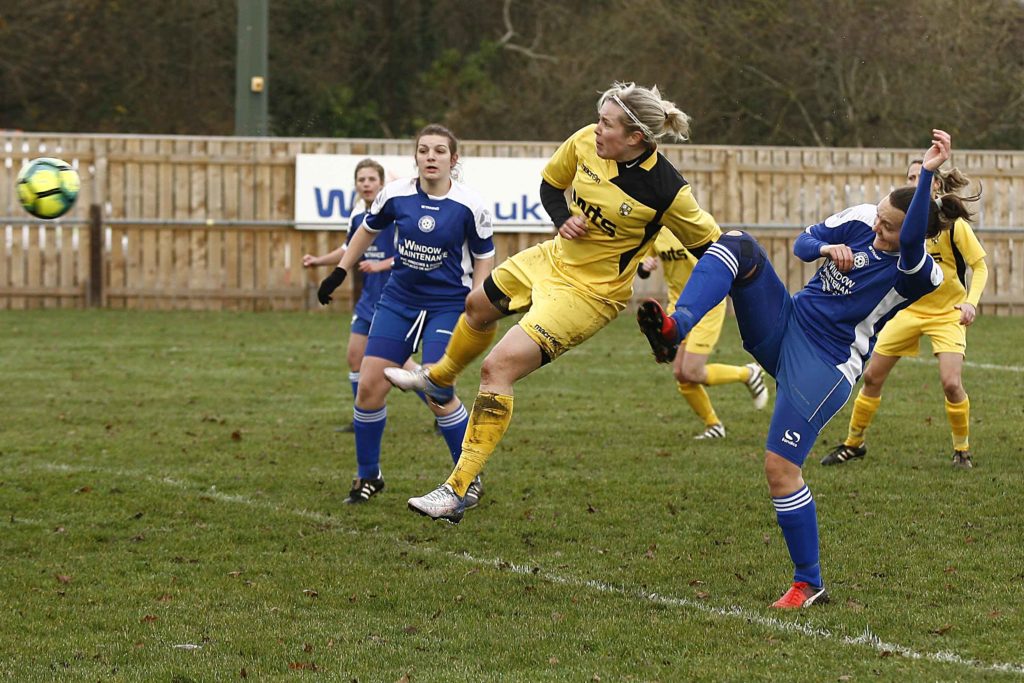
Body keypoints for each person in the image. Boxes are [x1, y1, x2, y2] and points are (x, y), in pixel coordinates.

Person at [637, 129, 969, 608]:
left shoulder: (918, 271)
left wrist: (928, 177)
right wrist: (824, 250)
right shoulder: (862, 220)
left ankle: (808, 582)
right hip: (785, 325)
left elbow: (913, 231)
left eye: (889, 228)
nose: (878, 230)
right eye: (878, 219)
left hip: (825, 363)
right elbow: (802, 241)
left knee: (779, 469)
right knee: (738, 244)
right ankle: (674, 329)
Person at [384, 81, 723, 523]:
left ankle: (458, 489)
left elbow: (716, 250)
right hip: (551, 259)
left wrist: (684, 318)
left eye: (607, 123)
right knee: (476, 307)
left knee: (496, 368)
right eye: (599, 119)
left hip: (590, 295)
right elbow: (550, 185)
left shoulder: (667, 191)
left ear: (635, 137)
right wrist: (563, 220)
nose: (597, 128)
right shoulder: (586, 141)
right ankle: (439, 379)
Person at [316, 124, 495, 505]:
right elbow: (365, 231)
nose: (431, 157)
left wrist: (479, 304)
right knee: (368, 389)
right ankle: (369, 477)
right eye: (424, 150)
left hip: (447, 306)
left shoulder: (470, 205)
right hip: (398, 302)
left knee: (437, 389)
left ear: (453, 159)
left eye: (439, 151)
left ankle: (467, 476)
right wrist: (339, 271)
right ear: (415, 157)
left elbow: (483, 257)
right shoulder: (394, 195)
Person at [822, 161, 986, 469]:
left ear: (935, 185)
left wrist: (970, 302)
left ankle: (962, 450)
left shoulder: (953, 228)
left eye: (918, 178)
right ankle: (853, 443)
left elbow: (980, 266)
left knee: (951, 383)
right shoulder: (899, 228)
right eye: (910, 178)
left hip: (947, 314)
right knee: (871, 377)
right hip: (908, 312)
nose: (913, 182)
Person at [637, 227, 768, 439]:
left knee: (690, 371)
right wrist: (645, 266)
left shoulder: (699, 225)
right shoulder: (656, 230)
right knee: (681, 374)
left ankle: (748, 374)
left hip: (707, 307)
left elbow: (728, 262)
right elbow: (642, 267)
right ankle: (713, 425)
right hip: (676, 309)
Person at [303, 158, 399, 433]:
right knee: (355, 357)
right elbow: (349, 250)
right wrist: (319, 261)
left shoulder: (395, 214)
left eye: (371, 179)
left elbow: (410, 253)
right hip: (368, 298)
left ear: (382, 183)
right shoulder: (359, 217)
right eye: (361, 180)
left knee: (403, 366)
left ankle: (442, 410)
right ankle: (362, 417)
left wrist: (381, 264)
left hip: (394, 296)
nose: (366, 184)